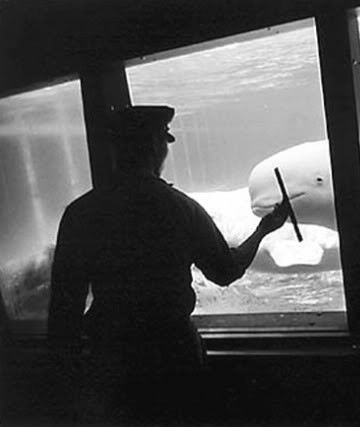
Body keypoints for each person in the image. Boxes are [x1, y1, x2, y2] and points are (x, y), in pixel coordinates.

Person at [47, 105, 288, 420]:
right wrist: (263, 230)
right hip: (172, 353)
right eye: (164, 140)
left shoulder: (81, 213)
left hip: (111, 357)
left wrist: (66, 374)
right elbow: (226, 270)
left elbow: (65, 303)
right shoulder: (180, 208)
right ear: (154, 146)